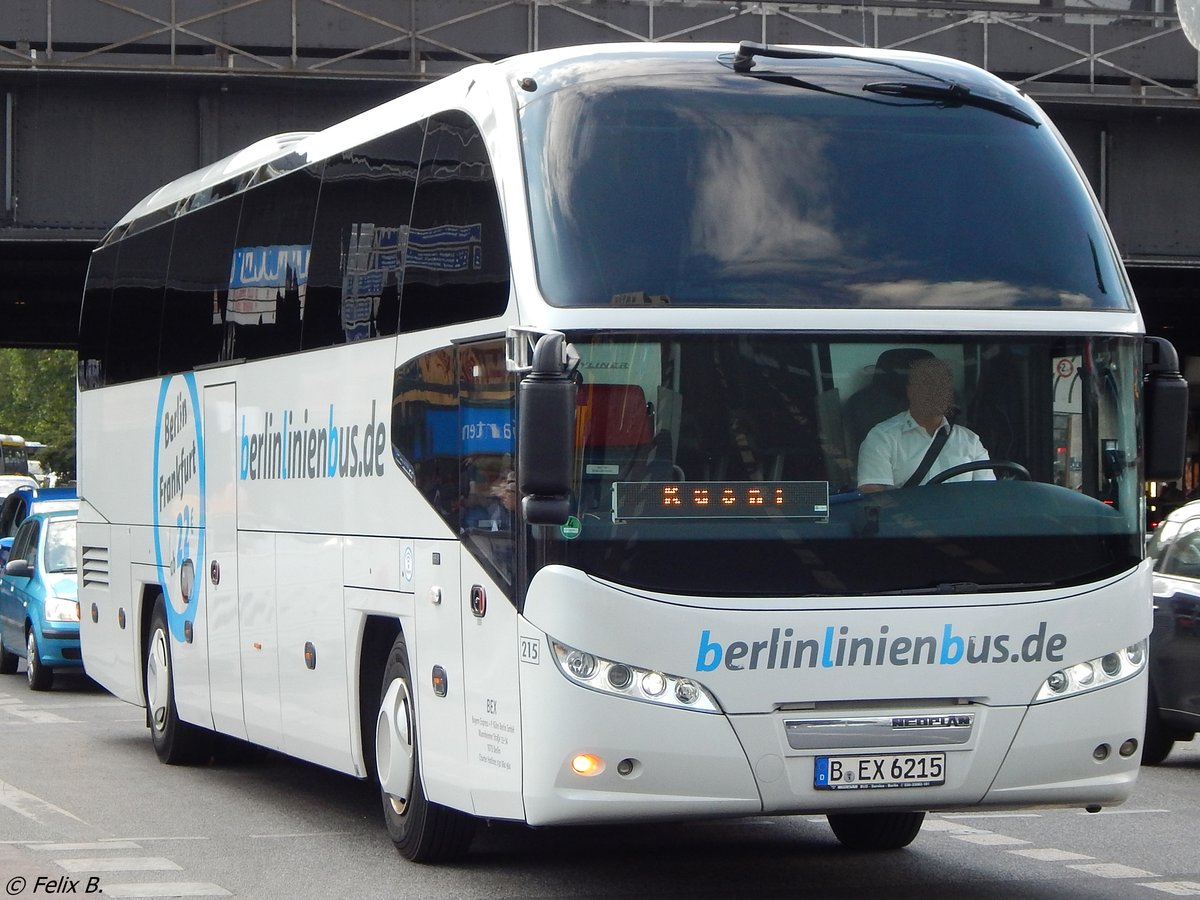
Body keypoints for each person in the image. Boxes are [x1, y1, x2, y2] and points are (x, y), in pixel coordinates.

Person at [857, 356, 994, 492]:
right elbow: (874, 495)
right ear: (911, 391)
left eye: (944, 386)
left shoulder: (970, 440)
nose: (938, 392)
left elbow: (987, 494)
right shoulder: (882, 437)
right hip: (908, 507)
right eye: (929, 385)